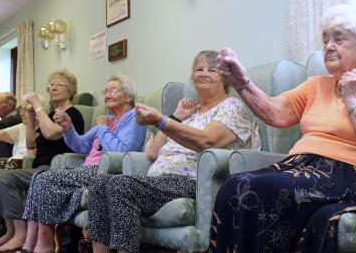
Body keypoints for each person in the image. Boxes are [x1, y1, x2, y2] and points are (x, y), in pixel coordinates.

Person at [209, 4, 356, 253]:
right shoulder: (316, 85)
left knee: (267, 189)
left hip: (347, 171)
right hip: (299, 165)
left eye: (339, 39)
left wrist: (353, 100)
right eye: (325, 39)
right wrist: (242, 83)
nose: (329, 46)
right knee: (234, 184)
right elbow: (274, 112)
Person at [87, 50, 261, 253]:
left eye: (212, 70)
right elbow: (152, 151)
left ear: (224, 78)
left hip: (190, 181)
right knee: (99, 183)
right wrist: (176, 117)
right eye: (198, 69)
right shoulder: (189, 114)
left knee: (120, 185)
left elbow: (207, 140)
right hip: (159, 180)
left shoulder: (231, 106)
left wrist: (161, 120)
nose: (204, 73)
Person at [20, 75, 148, 253]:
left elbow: (122, 150)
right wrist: (68, 128)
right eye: (106, 91)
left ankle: (44, 244)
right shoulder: (107, 120)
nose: (107, 95)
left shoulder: (134, 117)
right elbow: (80, 146)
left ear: (128, 97)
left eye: (113, 90)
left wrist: (103, 128)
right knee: (40, 177)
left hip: (109, 173)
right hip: (88, 170)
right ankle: (38, 241)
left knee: (45, 179)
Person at [0, 69, 84, 252]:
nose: (53, 87)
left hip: (54, 169)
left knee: (5, 178)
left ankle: (21, 235)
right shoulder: (49, 115)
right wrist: (31, 118)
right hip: (38, 166)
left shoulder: (73, 114)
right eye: (51, 84)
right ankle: (11, 231)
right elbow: (31, 143)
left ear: (70, 90)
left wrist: (39, 107)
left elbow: (51, 133)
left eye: (59, 84)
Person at [0, 97, 49, 237]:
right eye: (22, 109)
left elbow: (34, 154)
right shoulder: (21, 127)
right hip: (10, 163)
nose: (22, 113)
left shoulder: (44, 128)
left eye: (27, 110)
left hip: (21, 165)